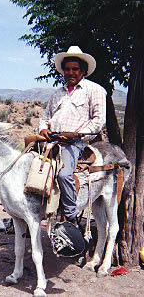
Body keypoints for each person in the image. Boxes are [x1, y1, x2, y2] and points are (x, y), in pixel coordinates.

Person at [39, 46, 106, 225]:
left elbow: (98, 121)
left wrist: (77, 135)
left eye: (75, 69)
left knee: (63, 174)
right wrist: (43, 129)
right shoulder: (57, 93)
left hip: (75, 143)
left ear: (83, 71)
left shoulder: (94, 90)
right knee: (30, 170)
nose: (70, 72)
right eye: (67, 69)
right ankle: (34, 212)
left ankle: (71, 216)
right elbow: (45, 117)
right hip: (51, 141)